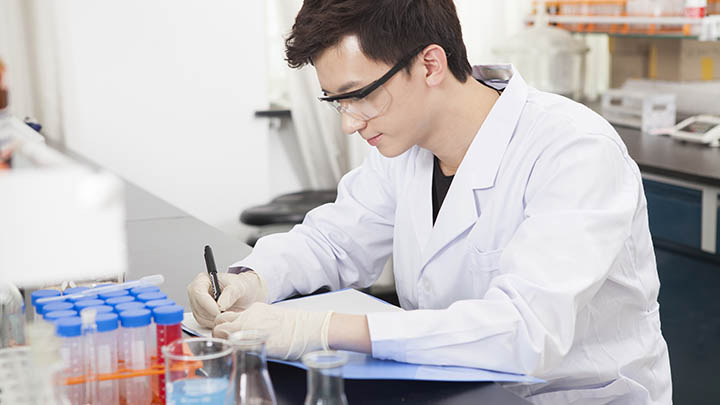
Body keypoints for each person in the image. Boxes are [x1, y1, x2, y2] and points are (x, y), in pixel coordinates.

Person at [188, 0, 672, 403]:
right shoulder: (403, 143)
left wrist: (320, 330)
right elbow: (335, 241)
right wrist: (250, 281)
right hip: (456, 387)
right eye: (336, 101)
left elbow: (524, 331)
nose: (349, 123)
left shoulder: (573, 149)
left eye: (358, 95)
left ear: (430, 64)